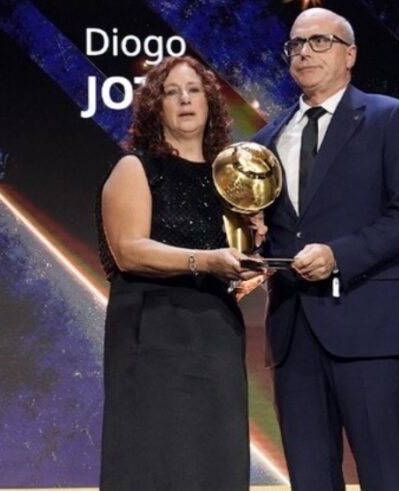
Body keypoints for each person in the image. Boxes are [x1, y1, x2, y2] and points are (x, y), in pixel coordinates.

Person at [252, 8, 399, 491]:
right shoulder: (265, 140)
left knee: (385, 475)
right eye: (296, 44)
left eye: (320, 41)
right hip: (293, 333)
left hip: (368, 326)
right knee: (310, 478)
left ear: (349, 54)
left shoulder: (390, 118)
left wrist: (338, 255)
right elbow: (270, 232)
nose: (304, 52)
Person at [96, 55, 258, 491]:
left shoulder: (230, 181)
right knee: (155, 458)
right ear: (156, 107)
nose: (185, 99)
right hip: (153, 330)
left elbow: (236, 255)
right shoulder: (137, 167)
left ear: (210, 103)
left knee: (215, 458)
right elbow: (129, 251)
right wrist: (206, 261)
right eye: (172, 92)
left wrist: (253, 263)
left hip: (215, 332)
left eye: (194, 90)